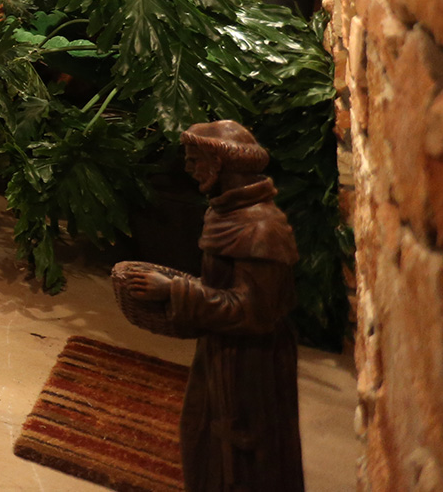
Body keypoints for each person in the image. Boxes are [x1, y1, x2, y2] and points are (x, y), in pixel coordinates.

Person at [116, 120, 304, 492]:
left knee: (244, 457)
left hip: (252, 365)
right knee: (201, 438)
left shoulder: (262, 230)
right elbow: (226, 290)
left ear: (218, 164)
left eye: (194, 160)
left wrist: (174, 291)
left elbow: (253, 312)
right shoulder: (226, 214)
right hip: (221, 352)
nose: (189, 168)